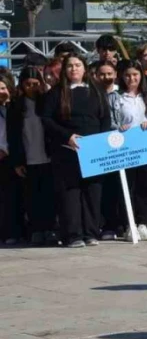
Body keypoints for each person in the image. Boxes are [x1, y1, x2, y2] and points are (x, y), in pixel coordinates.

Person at [40, 56, 113, 248]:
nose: (74, 69)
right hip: (66, 151)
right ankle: (73, 235)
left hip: (94, 150)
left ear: (84, 68)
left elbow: (105, 118)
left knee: (92, 193)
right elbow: (47, 119)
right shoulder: (56, 93)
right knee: (70, 194)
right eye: (70, 66)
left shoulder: (96, 91)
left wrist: (101, 142)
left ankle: (91, 232)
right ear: (64, 70)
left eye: (78, 65)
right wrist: (67, 137)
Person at [111, 62, 147, 242]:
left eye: (135, 74)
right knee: (127, 188)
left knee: (145, 188)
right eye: (128, 75)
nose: (132, 78)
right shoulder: (115, 97)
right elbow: (109, 121)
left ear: (141, 76)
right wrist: (119, 128)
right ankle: (129, 225)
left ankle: (142, 223)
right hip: (125, 149)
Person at [8, 68, 54, 246]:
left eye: (36, 84)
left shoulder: (47, 102)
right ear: (22, 85)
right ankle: (36, 229)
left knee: (49, 196)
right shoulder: (16, 106)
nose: (32, 88)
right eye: (28, 84)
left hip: (48, 156)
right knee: (32, 197)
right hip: (28, 158)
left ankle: (50, 228)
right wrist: (17, 162)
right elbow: (13, 136)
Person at [93, 61, 126, 240]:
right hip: (101, 145)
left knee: (122, 186)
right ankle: (108, 224)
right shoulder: (92, 95)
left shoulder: (122, 94)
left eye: (109, 74)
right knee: (105, 188)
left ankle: (123, 223)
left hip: (123, 144)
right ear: (96, 76)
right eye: (102, 74)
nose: (106, 77)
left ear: (115, 74)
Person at [0, 73, 19, 244]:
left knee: (13, 196)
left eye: (3, 88)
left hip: (13, 157)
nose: (1, 92)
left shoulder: (15, 108)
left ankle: (14, 231)